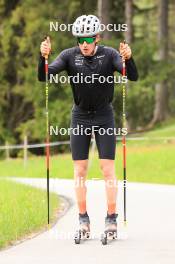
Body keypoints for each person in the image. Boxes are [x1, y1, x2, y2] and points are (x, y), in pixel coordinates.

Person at [38, 14, 138, 236]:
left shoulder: (109, 54)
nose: (84, 44)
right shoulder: (69, 56)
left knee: (107, 168)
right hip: (80, 117)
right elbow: (44, 76)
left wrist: (128, 59)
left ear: (97, 38)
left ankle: (111, 218)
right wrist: (43, 57)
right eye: (80, 39)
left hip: (104, 116)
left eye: (89, 39)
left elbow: (132, 76)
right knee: (80, 169)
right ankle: (83, 219)